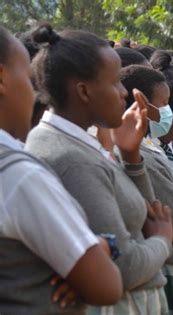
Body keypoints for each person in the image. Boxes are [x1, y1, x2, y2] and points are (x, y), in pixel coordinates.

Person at [25, 24, 173, 314]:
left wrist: (130, 157)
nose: (124, 93)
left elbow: (145, 217)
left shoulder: (79, 144)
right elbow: (123, 266)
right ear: (83, 90)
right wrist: (163, 240)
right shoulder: (70, 158)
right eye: (115, 83)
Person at [0, 24, 123, 314]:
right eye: (30, 82)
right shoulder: (19, 176)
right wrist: (105, 246)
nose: (35, 97)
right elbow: (107, 286)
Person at [120, 63, 173, 314]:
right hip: (165, 267)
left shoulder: (154, 146)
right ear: (141, 104)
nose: (167, 112)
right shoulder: (143, 155)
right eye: (164, 103)